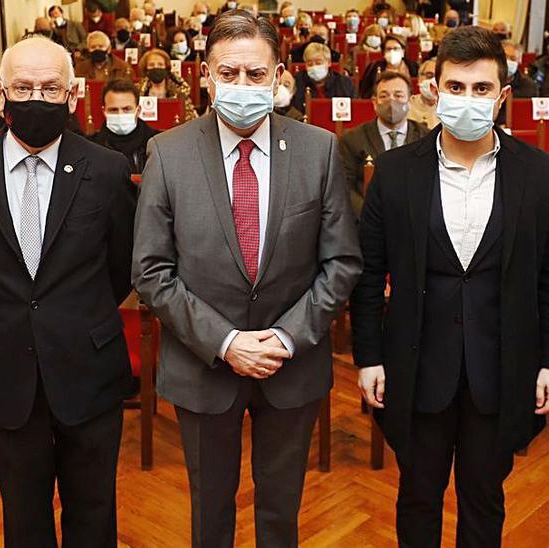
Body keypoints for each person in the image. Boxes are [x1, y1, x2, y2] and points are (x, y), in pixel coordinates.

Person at [132, 10, 361, 547]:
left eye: (255, 75)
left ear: (280, 76)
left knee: (280, 514)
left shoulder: (318, 149)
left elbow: (341, 263)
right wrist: (227, 342)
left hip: (292, 365)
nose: (242, 86)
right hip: (203, 364)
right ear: (206, 77)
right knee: (210, 514)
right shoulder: (168, 153)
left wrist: (283, 338)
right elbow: (150, 270)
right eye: (228, 74)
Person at [350, 25, 549, 547]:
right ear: (434, 90)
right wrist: (368, 357)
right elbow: (367, 272)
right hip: (417, 361)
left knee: (484, 498)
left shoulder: (538, 173)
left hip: (501, 365)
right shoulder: (395, 170)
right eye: (456, 87)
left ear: (502, 97)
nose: (467, 100)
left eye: (480, 89)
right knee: (418, 496)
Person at [0, 37, 135, 546]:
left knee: (93, 512)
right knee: (23, 517)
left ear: (72, 95)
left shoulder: (108, 170)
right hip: (3, 369)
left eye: (50, 88)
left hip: (88, 366)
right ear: (0, 94)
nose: (36, 99)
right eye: (23, 87)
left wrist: (74, 315)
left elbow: (121, 267)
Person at [339, 71, 426, 215]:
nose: (391, 101)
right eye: (384, 96)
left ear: (410, 102)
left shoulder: (426, 137)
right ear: (374, 102)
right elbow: (344, 186)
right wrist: (370, 215)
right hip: (367, 220)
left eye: (398, 96)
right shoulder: (351, 139)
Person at [93, 78, 161, 175]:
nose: (120, 114)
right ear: (104, 111)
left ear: (138, 110)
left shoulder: (157, 144)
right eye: (113, 110)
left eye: (126, 109)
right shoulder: (93, 147)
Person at [291, 42, 356, 112]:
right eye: (310, 64)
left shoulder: (344, 83)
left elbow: (355, 109)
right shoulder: (296, 82)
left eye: (318, 63)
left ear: (329, 63)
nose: (314, 67)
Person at [139, 49, 199, 124]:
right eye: (151, 65)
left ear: (166, 67)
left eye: (160, 64)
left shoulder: (179, 91)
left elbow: (191, 118)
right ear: (146, 69)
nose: (156, 67)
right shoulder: (139, 91)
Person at [408, 58, 440, 128]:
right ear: (419, 78)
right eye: (429, 76)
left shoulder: (449, 109)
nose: (433, 81)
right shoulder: (407, 104)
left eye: (438, 78)